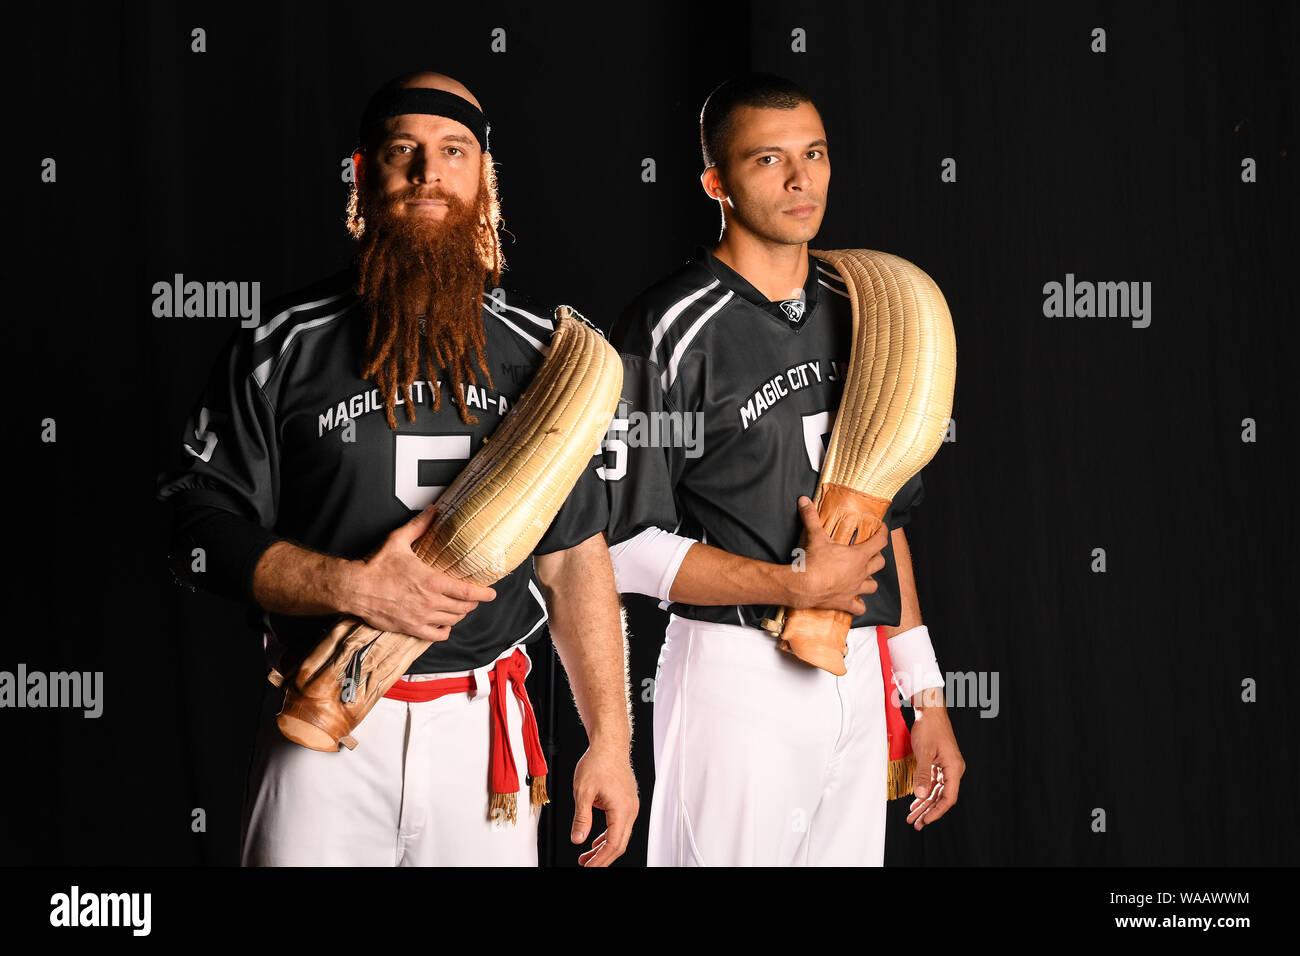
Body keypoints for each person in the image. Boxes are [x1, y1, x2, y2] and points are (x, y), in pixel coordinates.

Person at [156, 71, 638, 867]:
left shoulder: (542, 358)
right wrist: (351, 586)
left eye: (453, 151)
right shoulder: (280, 345)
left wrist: (611, 743)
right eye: (401, 151)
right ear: (361, 174)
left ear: (484, 178)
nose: (427, 173)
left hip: (480, 729)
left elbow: (573, 561)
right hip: (321, 722)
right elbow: (195, 529)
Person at [598, 73, 965, 866]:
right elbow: (619, 548)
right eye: (769, 160)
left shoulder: (865, 303)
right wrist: (793, 586)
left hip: (861, 669)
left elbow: (881, 512)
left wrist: (924, 696)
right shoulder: (665, 326)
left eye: (816, 154)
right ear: (715, 183)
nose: (802, 179)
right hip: (737, 672)